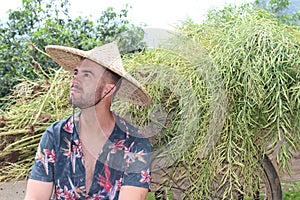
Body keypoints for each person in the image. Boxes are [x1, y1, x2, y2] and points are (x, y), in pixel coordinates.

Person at [24, 42, 152, 200]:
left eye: (87, 75)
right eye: (76, 73)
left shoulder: (134, 144)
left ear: (108, 89)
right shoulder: (56, 135)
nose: (75, 80)